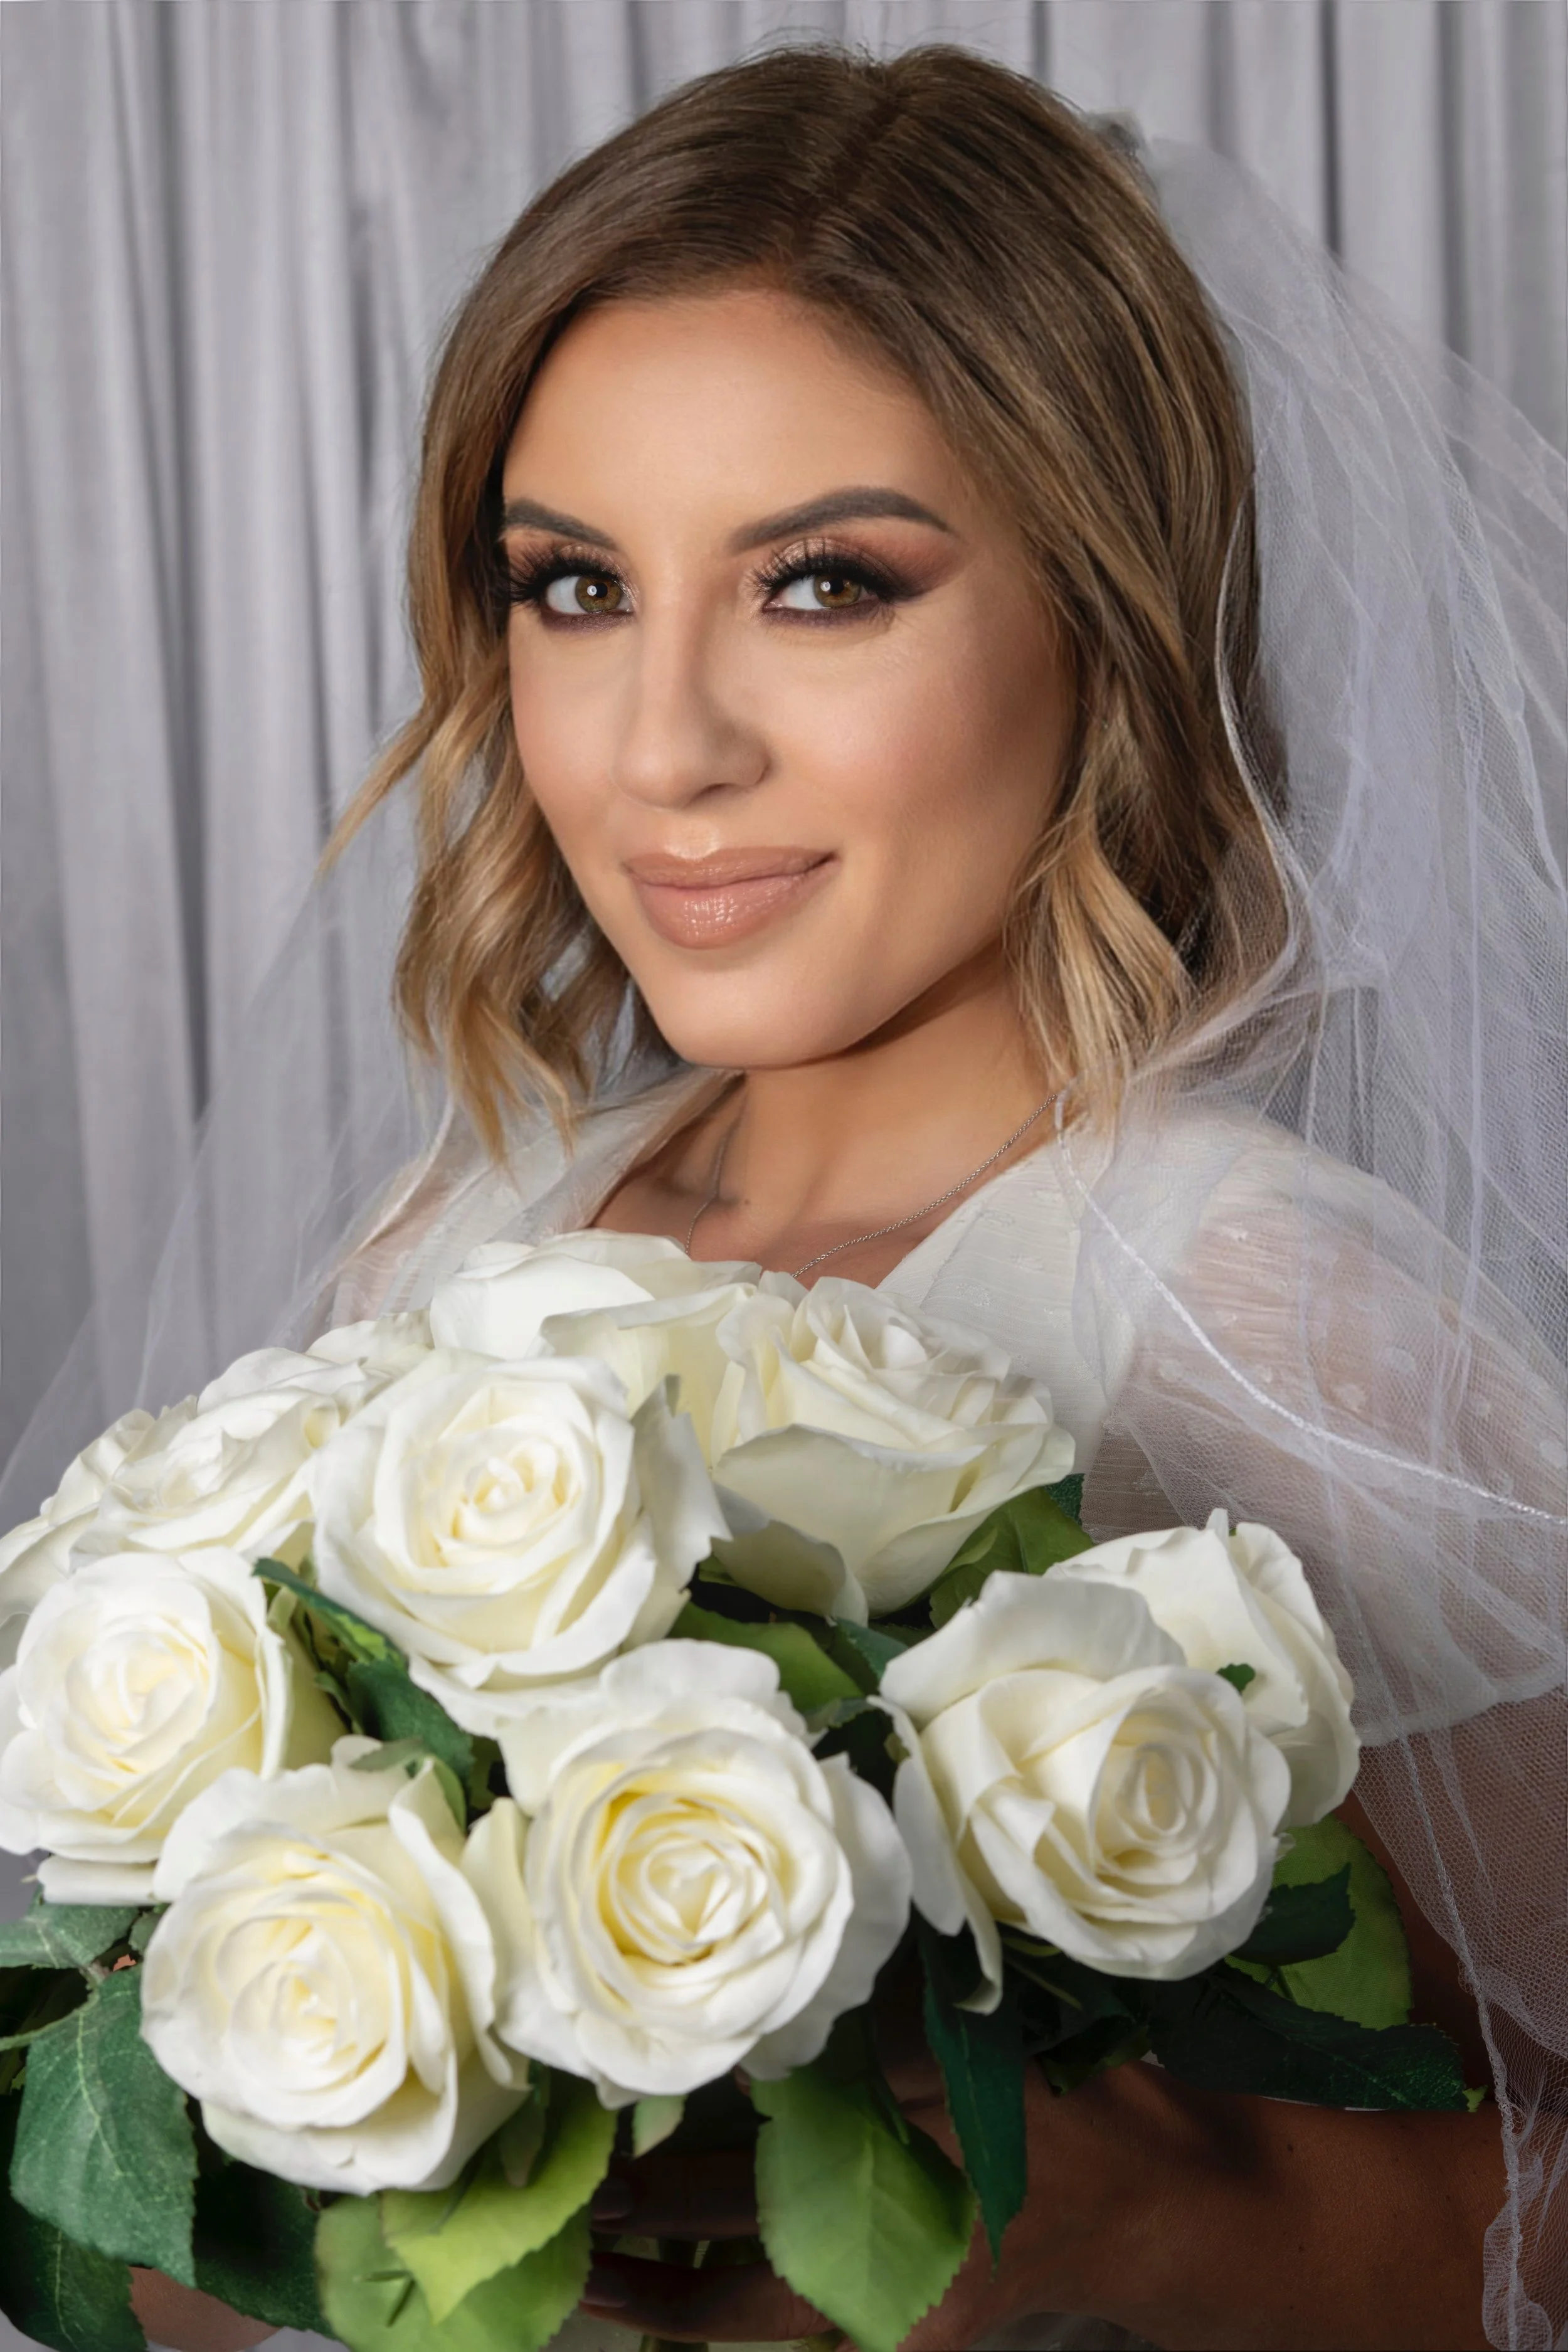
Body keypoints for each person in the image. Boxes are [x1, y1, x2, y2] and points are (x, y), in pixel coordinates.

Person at [13, 40, 1566, 2352]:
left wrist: (1136, 2225)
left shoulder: (1270, 1328)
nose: (662, 749)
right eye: (571, 587)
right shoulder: (469, 1232)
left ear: (1106, 609)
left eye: (825, 583)